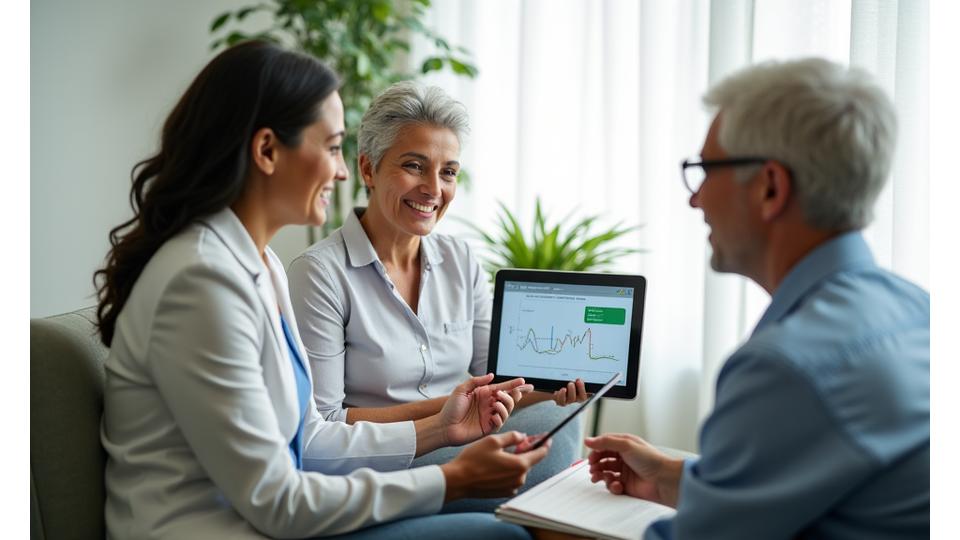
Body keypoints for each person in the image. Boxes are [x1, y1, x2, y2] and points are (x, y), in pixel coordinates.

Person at [93, 41, 550, 540]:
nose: (340, 170)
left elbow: (309, 440)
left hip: (270, 521)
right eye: (331, 147)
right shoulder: (201, 282)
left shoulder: (258, 262)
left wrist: (443, 430)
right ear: (267, 150)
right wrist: (450, 480)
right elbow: (278, 501)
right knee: (503, 534)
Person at [586, 58, 929, 539]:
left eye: (704, 170)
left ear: (770, 187)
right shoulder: (919, 309)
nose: (695, 199)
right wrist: (669, 476)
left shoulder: (787, 367)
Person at [286, 81, 588, 511]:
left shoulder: (461, 259)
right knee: (550, 471)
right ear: (368, 169)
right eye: (414, 165)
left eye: (448, 172)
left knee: (558, 421)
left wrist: (561, 387)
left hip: (468, 437)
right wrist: (448, 413)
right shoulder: (319, 273)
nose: (433, 188)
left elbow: (500, 378)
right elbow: (326, 424)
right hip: (386, 461)